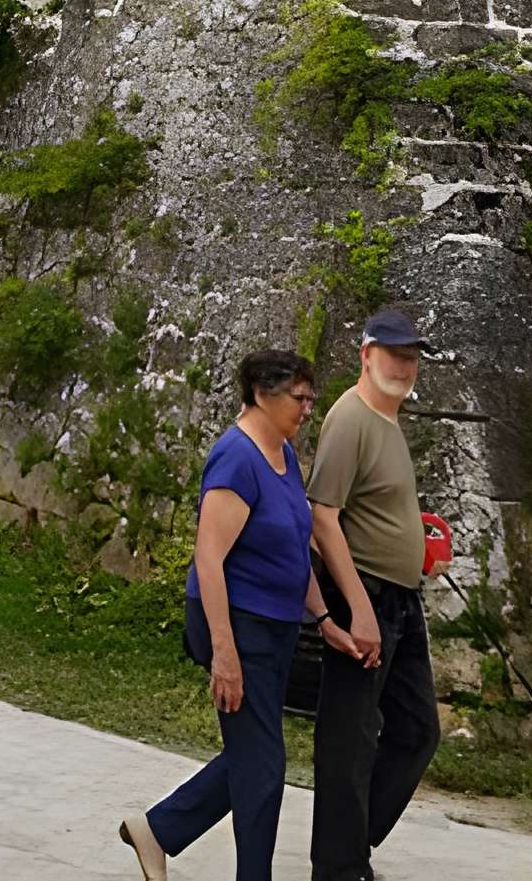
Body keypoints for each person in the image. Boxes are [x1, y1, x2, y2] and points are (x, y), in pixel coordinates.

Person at [120, 349, 360, 881]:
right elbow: (209, 558)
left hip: (274, 630)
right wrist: (224, 653)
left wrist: (324, 620)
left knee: (254, 756)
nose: (307, 407)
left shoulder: (284, 455)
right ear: (260, 393)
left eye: (309, 397)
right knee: (264, 769)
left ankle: (158, 830)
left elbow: (295, 552)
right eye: (299, 397)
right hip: (235, 624)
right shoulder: (237, 457)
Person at [307, 309, 441, 881]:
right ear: (366, 354)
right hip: (363, 598)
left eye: (412, 357)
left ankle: (350, 847)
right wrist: (358, 606)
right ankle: (338, 867)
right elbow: (322, 515)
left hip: (401, 602)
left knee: (416, 730)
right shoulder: (351, 418)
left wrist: (416, 546)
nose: (404, 367)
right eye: (394, 354)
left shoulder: (388, 421)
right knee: (350, 739)